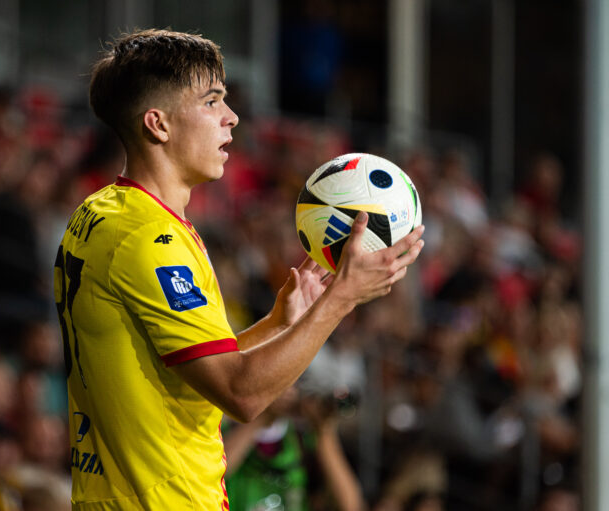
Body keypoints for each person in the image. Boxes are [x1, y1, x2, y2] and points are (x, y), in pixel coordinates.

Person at [55, 28, 424, 510]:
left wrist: (280, 324)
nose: (231, 118)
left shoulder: (108, 212)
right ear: (158, 125)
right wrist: (343, 298)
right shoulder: (150, 240)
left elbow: (195, 375)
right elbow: (242, 395)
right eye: (212, 102)